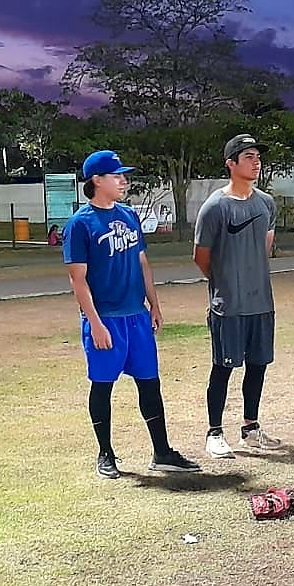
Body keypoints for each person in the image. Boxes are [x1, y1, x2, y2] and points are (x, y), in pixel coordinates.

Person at [64, 149, 201, 478]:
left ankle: (162, 452)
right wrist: (95, 323)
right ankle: (106, 453)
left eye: (123, 175)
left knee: (150, 383)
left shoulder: (128, 216)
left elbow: (141, 262)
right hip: (106, 318)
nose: (123, 180)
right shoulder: (80, 224)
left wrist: (153, 303)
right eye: (116, 175)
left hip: (136, 317)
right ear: (97, 180)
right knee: (102, 385)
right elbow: (77, 280)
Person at [193, 133, 284, 458]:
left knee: (258, 365)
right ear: (231, 163)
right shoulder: (215, 207)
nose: (256, 161)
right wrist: (225, 282)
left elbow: (265, 247)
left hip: (261, 302)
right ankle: (214, 432)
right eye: (248, 156)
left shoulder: (266, 203)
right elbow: (201, 256)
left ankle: (251, 426)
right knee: (223, 367)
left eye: (258, 156)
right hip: (228, 305)